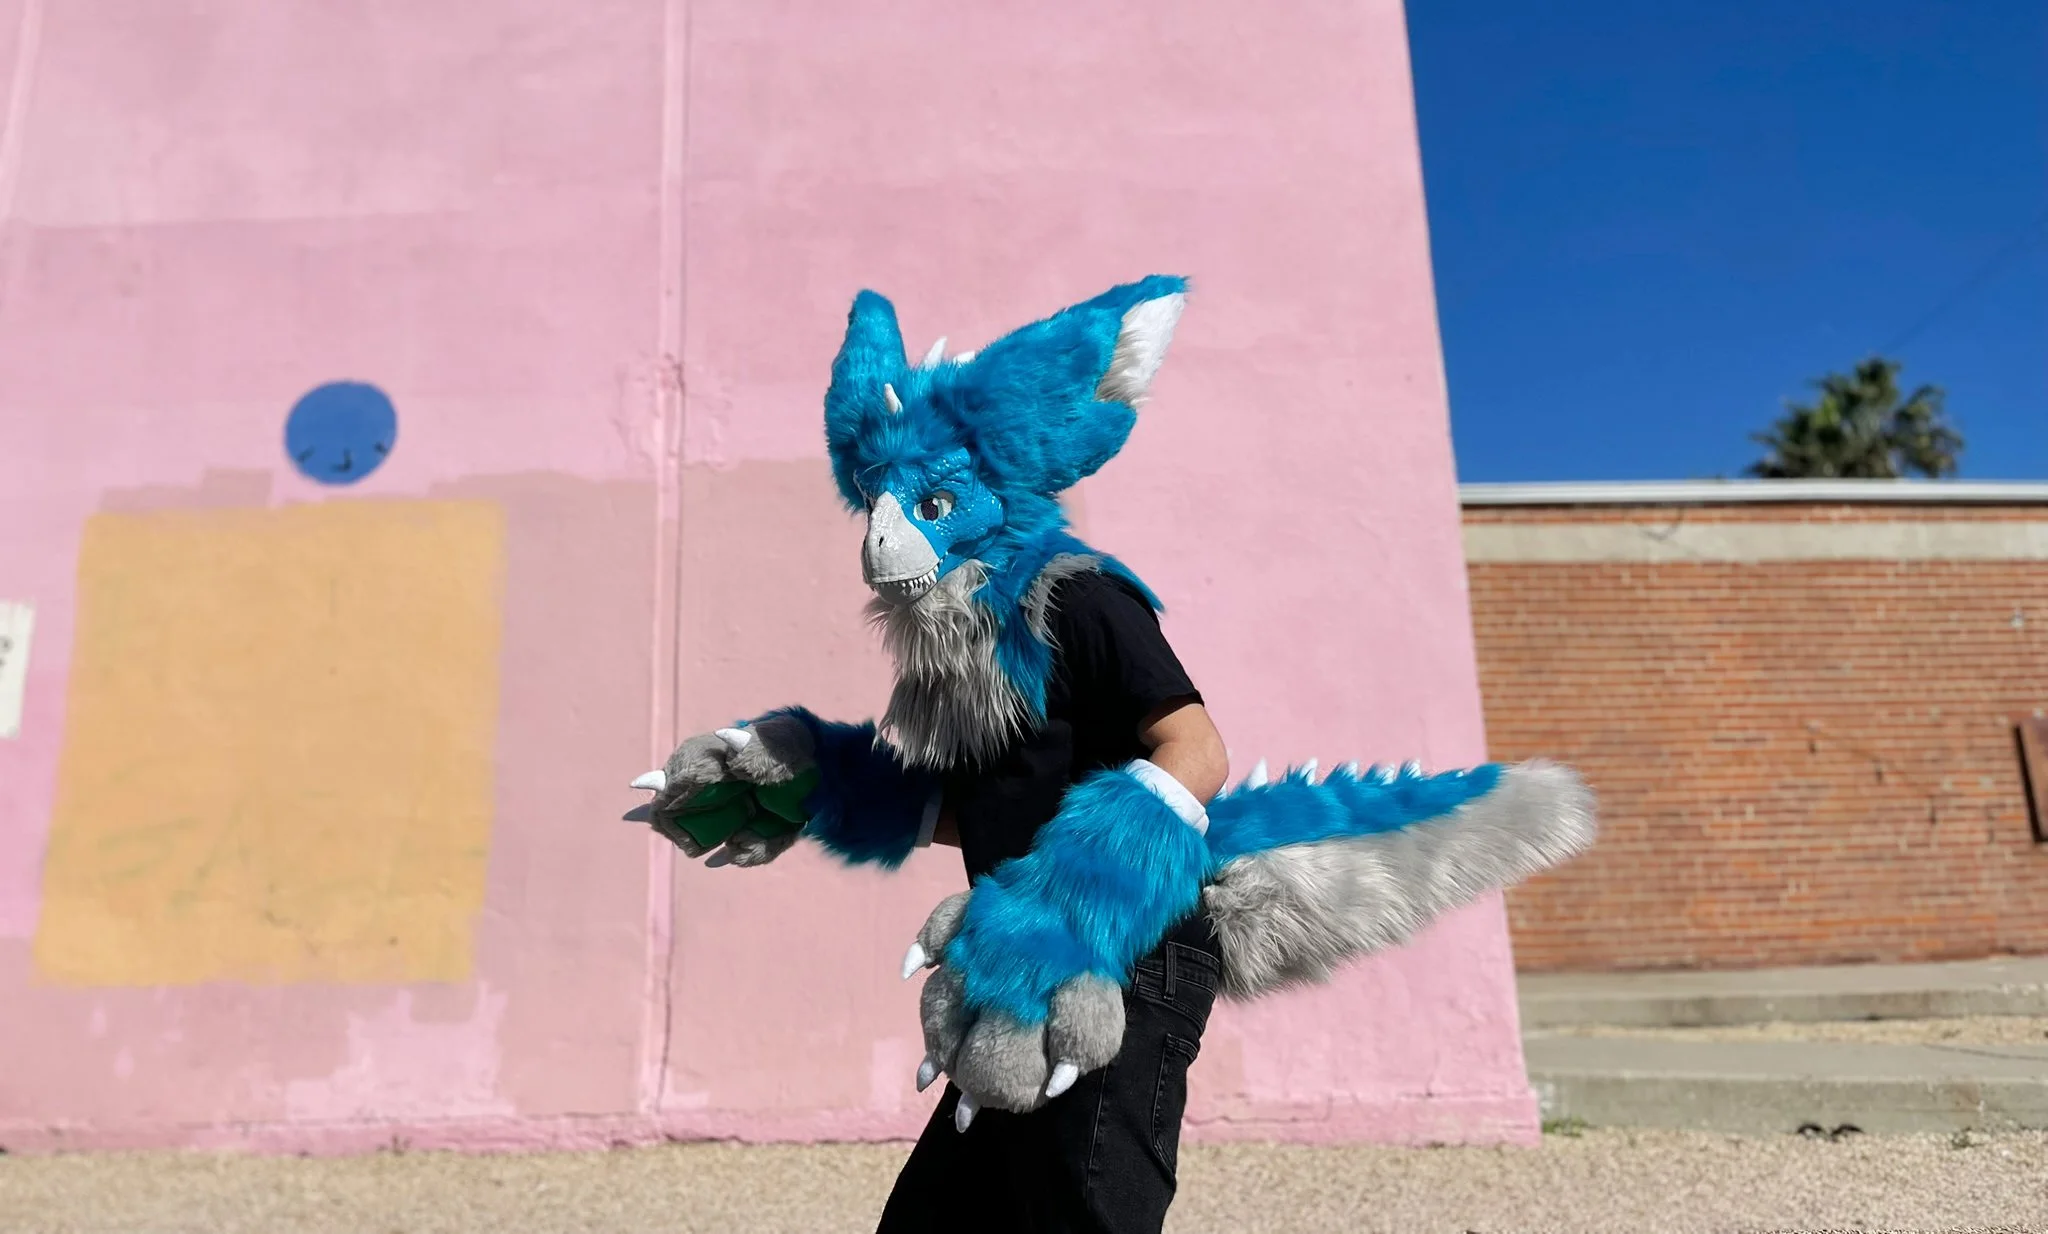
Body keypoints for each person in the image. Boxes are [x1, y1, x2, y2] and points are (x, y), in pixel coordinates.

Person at [628, 277, 1596, 1234]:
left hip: (1132, 947)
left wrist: (1063, 910)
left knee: (1085, 1205)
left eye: (930, 499)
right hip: (1019, 964)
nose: (887, 533)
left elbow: (1195, 750)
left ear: (988, 493)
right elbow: (979, 806)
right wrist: (816, 782)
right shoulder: (958, 657)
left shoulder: (1077, 596)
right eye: (882, 500)